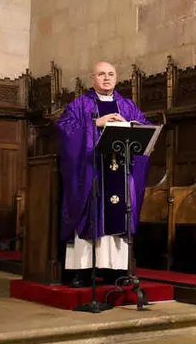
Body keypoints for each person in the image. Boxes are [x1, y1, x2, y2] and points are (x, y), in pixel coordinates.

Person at [55, 61, 149, 287]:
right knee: (89, 213)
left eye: (111, 74)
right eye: (101, 74)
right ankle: (82, 270)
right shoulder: (79, 105)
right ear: (92, 78)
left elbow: (145, 128)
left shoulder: (127, 106)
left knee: (118, 213)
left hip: (119, 173)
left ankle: (115, 270)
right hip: (92, 173)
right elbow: (65, 130)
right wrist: (95, 122)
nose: (106, 78)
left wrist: (130, 125)